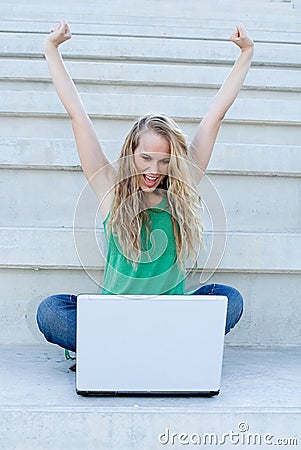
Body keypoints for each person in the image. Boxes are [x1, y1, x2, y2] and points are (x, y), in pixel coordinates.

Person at [36, 20, 254, 362]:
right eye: (146, 158)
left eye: (164, 161)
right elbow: (78, 116)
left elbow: (214, 117)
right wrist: (51, 49)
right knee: (52, 310)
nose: (154, 170)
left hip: (167, 319)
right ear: (131, 154)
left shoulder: (181, 191)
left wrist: (246, 54)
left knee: (229, 298)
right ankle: (143, 350)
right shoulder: (111, 189)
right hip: (113, 319)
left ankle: (127, 351)